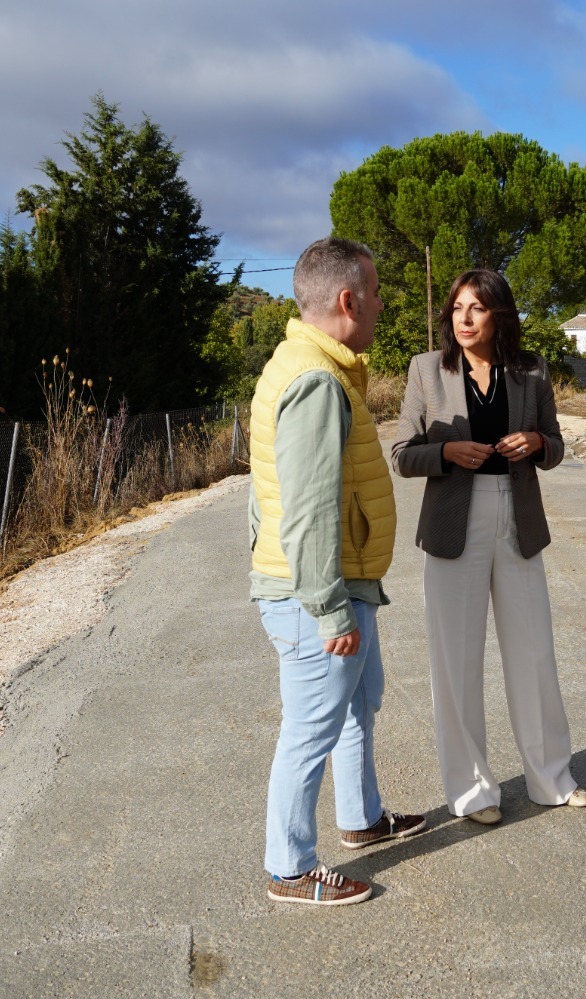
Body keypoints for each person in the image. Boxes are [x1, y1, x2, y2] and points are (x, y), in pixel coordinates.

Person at [249, 237, 426, 906]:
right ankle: (289, 868)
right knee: (310, 729)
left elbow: (262, 492)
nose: (382, 304)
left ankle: (361, 818)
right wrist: (325, 608)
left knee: (358, 704)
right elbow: (307, 508)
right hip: (318, 593)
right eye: (377, 292)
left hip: (342, 584)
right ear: (349, 299)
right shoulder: (315, 381)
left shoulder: (307, 365)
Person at [392, 269, 586, 824]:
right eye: (457, 308)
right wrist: (447, 451)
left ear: (498, 313)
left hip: (517, 515)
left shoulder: (530, 370)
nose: (464, 318)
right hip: (454, 521)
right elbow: (402, 454)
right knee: (455, 663)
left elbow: (555, 446)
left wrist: (536, 443)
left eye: (477, 308)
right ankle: (473, 791)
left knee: (534, 652)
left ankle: (551, 778)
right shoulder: (426, 370)